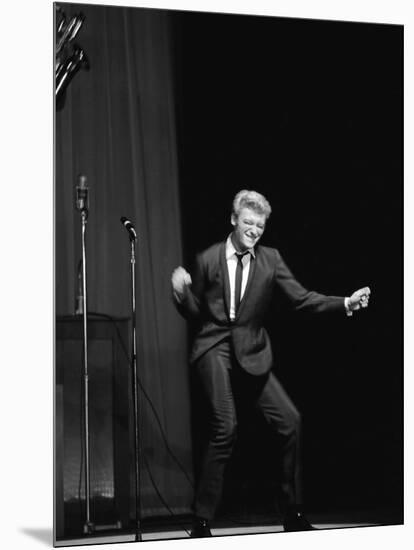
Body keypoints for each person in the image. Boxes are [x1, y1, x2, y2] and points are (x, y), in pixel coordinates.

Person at [171, 190, 370, 536]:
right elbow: (195, 313)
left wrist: (345, 303)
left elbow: (302, 298)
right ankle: (201, 520)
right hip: (214, 347)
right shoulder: (207, 259)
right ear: (234, 220)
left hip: (252, 351)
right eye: (248, 222)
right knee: (226, 426)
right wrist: (181, 293)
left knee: (290, 421)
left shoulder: (271, 260)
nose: (254, 230)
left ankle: (292, 514)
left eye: (260, 226)